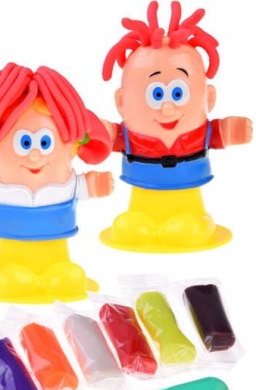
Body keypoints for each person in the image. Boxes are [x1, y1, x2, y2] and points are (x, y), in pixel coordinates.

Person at [0, 63, 112, 303]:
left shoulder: (67, 186)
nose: (35, 155)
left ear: (73, 148)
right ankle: (4, 274)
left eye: (45, 143)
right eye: (25, 143)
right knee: (9, 279)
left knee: (68, 278)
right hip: (9, 259)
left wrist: (95, 184)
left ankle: (57, 274)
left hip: (58, 255)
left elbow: (84, 187)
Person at [100, 0, 252, 252]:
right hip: (142, 202)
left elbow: (218, 133)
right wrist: (103, 133)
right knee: (133, 227)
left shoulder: (202, 132)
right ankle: (141, 224)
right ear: (121, 102)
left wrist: (231, 130)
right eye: (157, 95)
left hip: (189, 203)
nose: (167, 108)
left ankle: (194, 222)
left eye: (178, 94)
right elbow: (109, 138)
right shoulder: (128, 136)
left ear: (209, 98)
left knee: (188, 228)